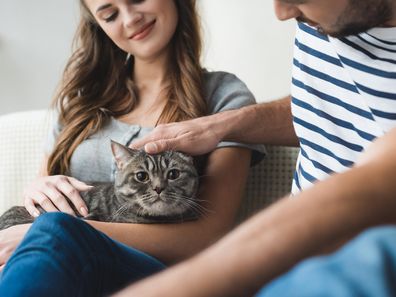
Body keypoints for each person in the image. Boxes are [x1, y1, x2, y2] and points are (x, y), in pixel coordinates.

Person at [113, 0, 396, 296]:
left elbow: (377, 187)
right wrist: (222, 125)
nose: (282, 13)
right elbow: (329, 105)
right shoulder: (323, 18)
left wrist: (187, 284)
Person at [0, 0, 264, 296]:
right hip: (49, 258)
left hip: (157, 273)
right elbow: (42, 193)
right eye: (110, 14)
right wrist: (39, 190)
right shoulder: (80, 101)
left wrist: (59, 232)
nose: (130, 19)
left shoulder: (224, 98)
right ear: (99, 26)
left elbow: (208, 235)